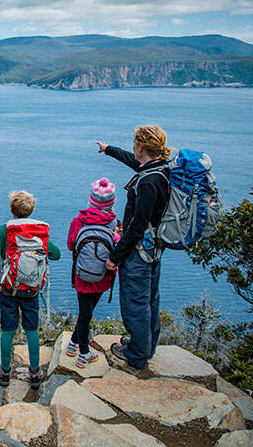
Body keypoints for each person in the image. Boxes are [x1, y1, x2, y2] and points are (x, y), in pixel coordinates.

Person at [96, 125, 172, 371]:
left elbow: (137, 226)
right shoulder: (159, 168)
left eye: (134, 144)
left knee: (135, 303)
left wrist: (115, 257)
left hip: (139, 252)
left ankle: (137, 354)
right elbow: (134, 162)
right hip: (153, 250)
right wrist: (109, 150)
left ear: (141, 147)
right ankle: (146, 345)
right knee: (150, 299)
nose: (132, 148)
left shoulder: (149, 182)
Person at [0, 190, 60, 389]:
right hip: (32, 289)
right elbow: (56, 254)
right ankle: (34, 373)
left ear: (11, 209)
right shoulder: (39, 231)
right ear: (31, 210)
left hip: (9, 289)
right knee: (32, 329)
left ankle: (5, 372)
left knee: (8, 329)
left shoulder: (4, 230)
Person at [66, 178, 120, 368]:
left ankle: (73, 344)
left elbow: (70, 245)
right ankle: (84, 353)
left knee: (84, 313)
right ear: (111, 203)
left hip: (81, 276)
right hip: (102, 277)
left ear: (91, 200)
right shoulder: (112, 223)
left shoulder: (78, 221)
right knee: (86, 313)